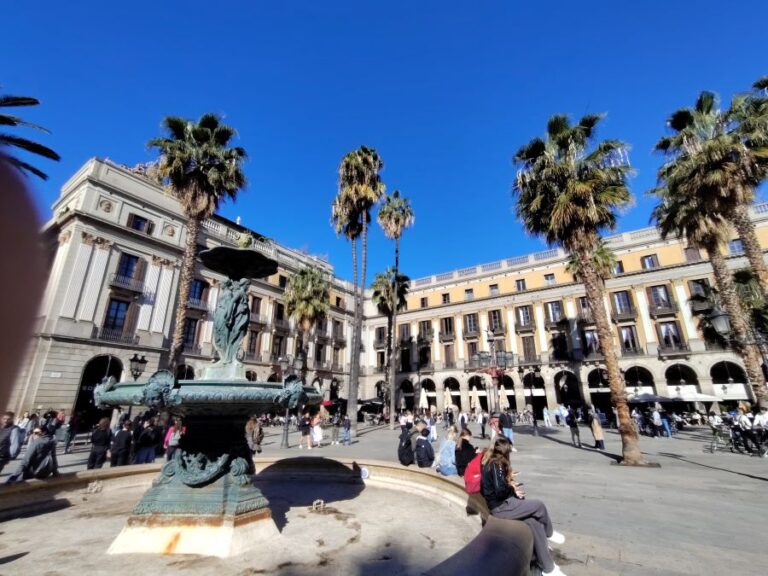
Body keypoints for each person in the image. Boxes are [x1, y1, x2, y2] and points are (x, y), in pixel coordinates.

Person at [480, 436, 566, 576]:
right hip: (502, 507)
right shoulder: (496, 464)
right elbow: (500, 490)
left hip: (502, 505)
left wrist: (510, 489)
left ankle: (549, 569)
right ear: (505, 450)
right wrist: (512, 489)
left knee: (534, 523)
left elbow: (494, 487)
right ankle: (549, 533)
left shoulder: (491, 462)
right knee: (539, 506)